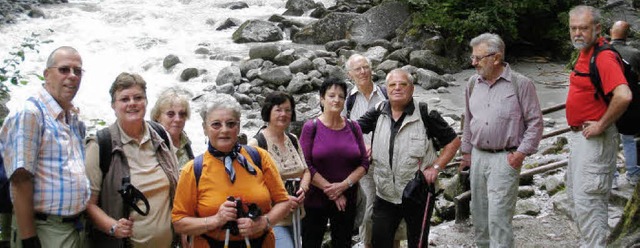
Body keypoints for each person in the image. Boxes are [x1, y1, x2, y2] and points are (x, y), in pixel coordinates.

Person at [357, 68, 460, 248]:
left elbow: (453, 142)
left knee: (417, 243)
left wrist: (436, 168)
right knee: (380, 241)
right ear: (386, 89)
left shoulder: (426, 113)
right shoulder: (377, 112)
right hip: (385, 193)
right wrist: (363, 145)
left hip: (418, 192)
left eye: (403, 84)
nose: (397, 88)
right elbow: (351, 132)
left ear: (412, 89)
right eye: (392, 85)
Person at [171, 93, 291, 247]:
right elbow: (179, 223)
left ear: (239, 126)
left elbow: (283, 202)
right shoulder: (193, 170)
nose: (224, 130)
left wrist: (262, 222)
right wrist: (216, 220)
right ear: (204, 129)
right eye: (216, 124)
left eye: (231, 123)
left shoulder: (259, 158)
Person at [459, 33, 544, 247]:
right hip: (478, 157)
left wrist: (521, 154)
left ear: (496, 58)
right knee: (479, 216)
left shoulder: (521, 84)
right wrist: (466, 153)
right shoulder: (472, 83)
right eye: (473, 58)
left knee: (499, 219)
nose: (473, 63)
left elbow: (535, 122)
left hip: (505, 158)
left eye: (478, 58)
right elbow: (469, 119)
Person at [0, 46, 89, 248]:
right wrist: (29, 239)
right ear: (47, 74)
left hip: (73, 228)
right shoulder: (31, 114)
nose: (72, 76)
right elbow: (20, 180)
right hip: (44, 229)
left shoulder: (70, 117)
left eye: (78, 71)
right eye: (64, 69)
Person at [85, 72, 180, 247]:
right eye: (124, 99)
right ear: (113, 105)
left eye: (138, 97)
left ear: (146, 101)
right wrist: (113, 227)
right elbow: (88, 204)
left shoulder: (161, 135)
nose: (132, 103)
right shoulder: (100, 145)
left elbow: (177, 190)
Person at [566, 5, 632, 247]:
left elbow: (623, 95)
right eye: (573, 28)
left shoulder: (603, 57)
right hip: (583, 139)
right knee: (578, 200)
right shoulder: (586, 52)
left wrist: (601, 125)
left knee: (589, 203)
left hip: (596, 140)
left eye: (583, 28)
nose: (577, 33)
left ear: (597, 28)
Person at [343, 54, 405, 248]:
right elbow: (341, 131)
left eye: (365, 67)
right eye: (357, 69)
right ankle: (368, 244)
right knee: (369, 211)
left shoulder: (387, 93)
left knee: (394, 208)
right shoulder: (347, 101)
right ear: (349, 74)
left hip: (391, 162)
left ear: (371, 69)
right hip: (363, 165)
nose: (362, 72)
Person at [299, 78, 369, 248]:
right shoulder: (311, 127)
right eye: (331, 95)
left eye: (341, 96)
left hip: (347, 199)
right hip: (315, 200)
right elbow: (304, 164)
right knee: (311, 243)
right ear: (322, 99)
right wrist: (334, 191)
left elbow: (364, 163)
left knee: (343, 243)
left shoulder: (354, 127)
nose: (336, 100)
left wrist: (344, 185)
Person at [247, 91, 311, 247]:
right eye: (279, 109)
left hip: (297, 214)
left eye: (288, 110)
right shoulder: (256, 145)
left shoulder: (293, 139)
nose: (284, 114)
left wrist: (303, 188)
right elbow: (250, 186)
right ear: (268, 111)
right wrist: (281, 198)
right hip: (273, 218)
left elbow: (306, 171)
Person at [609, 20, 640, 187]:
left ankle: (612, 178)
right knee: (628, 139)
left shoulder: (602, 52)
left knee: (610, 141)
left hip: (607, 103)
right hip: (630, 103)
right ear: (627, 35)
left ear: (610, 31)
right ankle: (633, 173)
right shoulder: (635, 54)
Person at [151, 87, 195, 168]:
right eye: (170, 114)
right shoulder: (152, 144)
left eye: (182, 114)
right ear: (157, 117)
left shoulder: (185, 141)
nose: (178, 119)